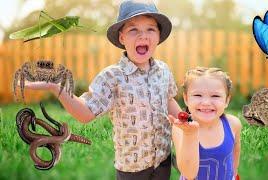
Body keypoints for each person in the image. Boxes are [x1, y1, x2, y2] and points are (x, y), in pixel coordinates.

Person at [23, 0, 181, 179]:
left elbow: (168, 101)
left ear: (159, 35)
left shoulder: (163, 70)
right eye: (133, 30)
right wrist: (56, 87)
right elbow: (85, 112)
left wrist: (186, 121)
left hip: (163, 160)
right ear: (122, 38)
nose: (143, 36)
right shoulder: (112, 77)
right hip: (132, 168)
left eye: (150, 29)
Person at [169, 67, 242, 180]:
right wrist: (189, 134)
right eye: (198, 95)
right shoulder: (181, 129)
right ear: (186, 99)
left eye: (215, 96)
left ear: (227, 100)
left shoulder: (233, 124)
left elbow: (235, 149)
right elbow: (188, 174)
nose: (206, 102)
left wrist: (234, 173)